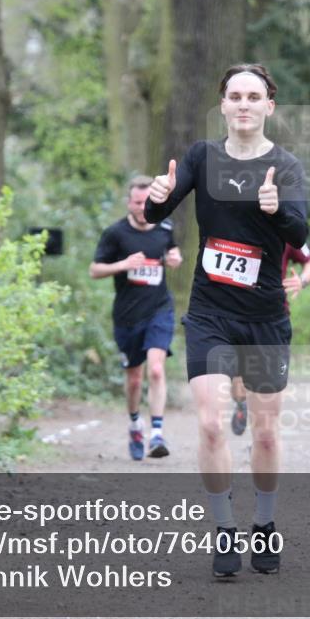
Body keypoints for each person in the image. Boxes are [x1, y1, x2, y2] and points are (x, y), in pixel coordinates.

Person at [144, 63, 307, 577]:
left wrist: (277, 208)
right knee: (212, 424)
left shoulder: (286, 166)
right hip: (211, 310)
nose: (243, 104)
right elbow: (156, 216)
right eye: (234, 95)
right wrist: (155, 200)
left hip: (263, 316)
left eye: (252, 96)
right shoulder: (202, 156)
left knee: (263, 433)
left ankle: (263, 525)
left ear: (268, 107)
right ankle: (224, 531)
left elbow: (299, 235)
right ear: (223, 105)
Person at [90, 176, 182, 461]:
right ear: (129, 203)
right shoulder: (115, 234)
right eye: (138, 202)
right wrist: (123, 265)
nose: (143, 207)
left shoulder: (166, 227)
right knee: (134, 379)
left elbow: (172, 253)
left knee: (156, 370)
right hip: (128, 316)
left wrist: (175, 258)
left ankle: (157, 433)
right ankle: (134, 425)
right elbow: (94, 270)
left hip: (160, 310)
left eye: (148, 202)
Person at [230, 242, 310, 435]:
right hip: (236, 314)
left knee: (267, 386)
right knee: (238, 381)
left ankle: (262, 435)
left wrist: (301, 281)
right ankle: (241, 405)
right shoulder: (236, 223)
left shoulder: (285, 229)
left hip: (272, 319)